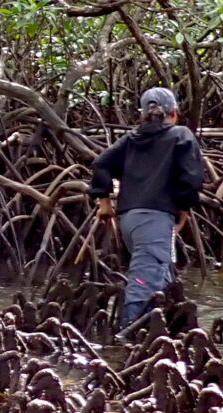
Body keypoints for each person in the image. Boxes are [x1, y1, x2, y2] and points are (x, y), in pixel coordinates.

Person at [89, 85, 207, 330]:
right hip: (154, 221)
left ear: (142, 114)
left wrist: (104, 202)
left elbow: (101, 163)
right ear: (173, 113)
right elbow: (191, 181)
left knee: (161, 274)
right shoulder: (181, 135)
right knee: (144, 283)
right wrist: (183, 212)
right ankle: (127, 338)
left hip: (129, 221)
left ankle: (165, 326)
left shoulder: (131, 139)